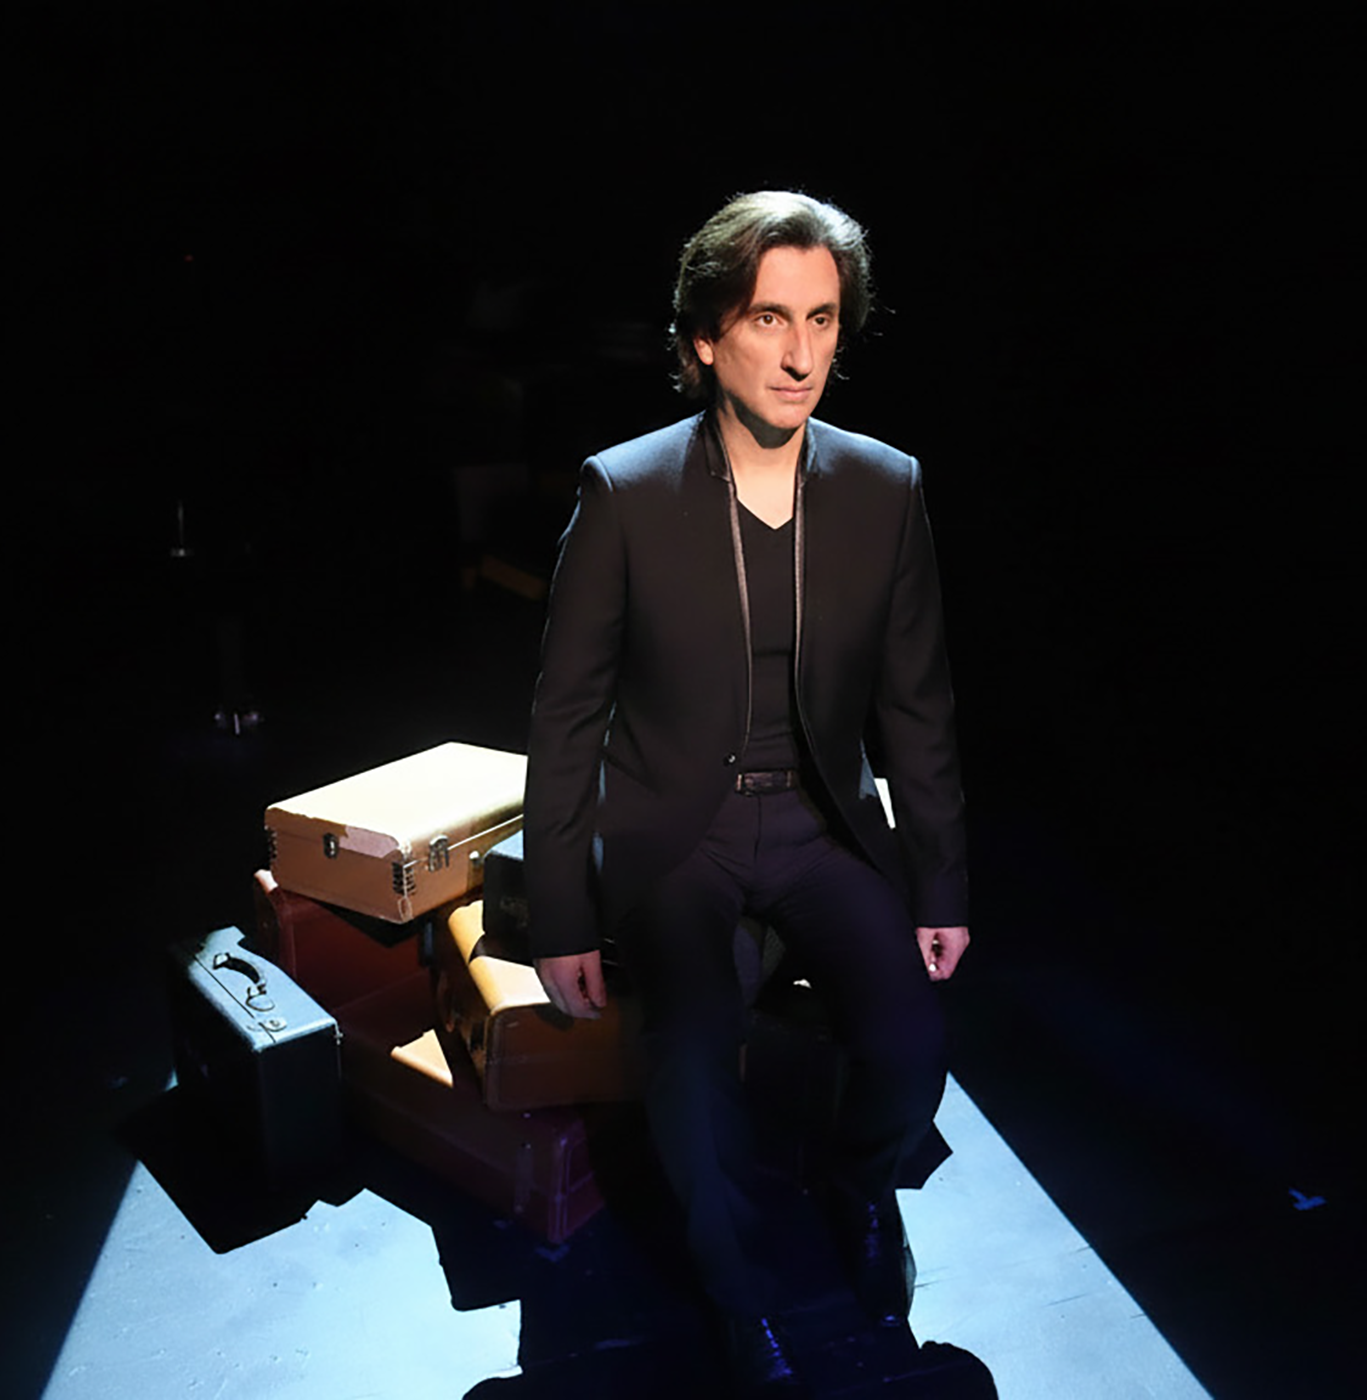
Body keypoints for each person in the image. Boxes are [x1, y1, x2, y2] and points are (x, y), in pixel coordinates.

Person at [523, 190, 970, 1394]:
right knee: (689, 1058)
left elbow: (916, 706)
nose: (800, 352)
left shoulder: (883, 486)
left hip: (823, 821)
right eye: (769, 317)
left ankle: (859, 1184)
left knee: (910, 1040)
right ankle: (741, 1298)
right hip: (681, 827)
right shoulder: (623, 491)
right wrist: (560, 914)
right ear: (704, 336)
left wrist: (939, 882)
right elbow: (564, 718)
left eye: (821, 319)